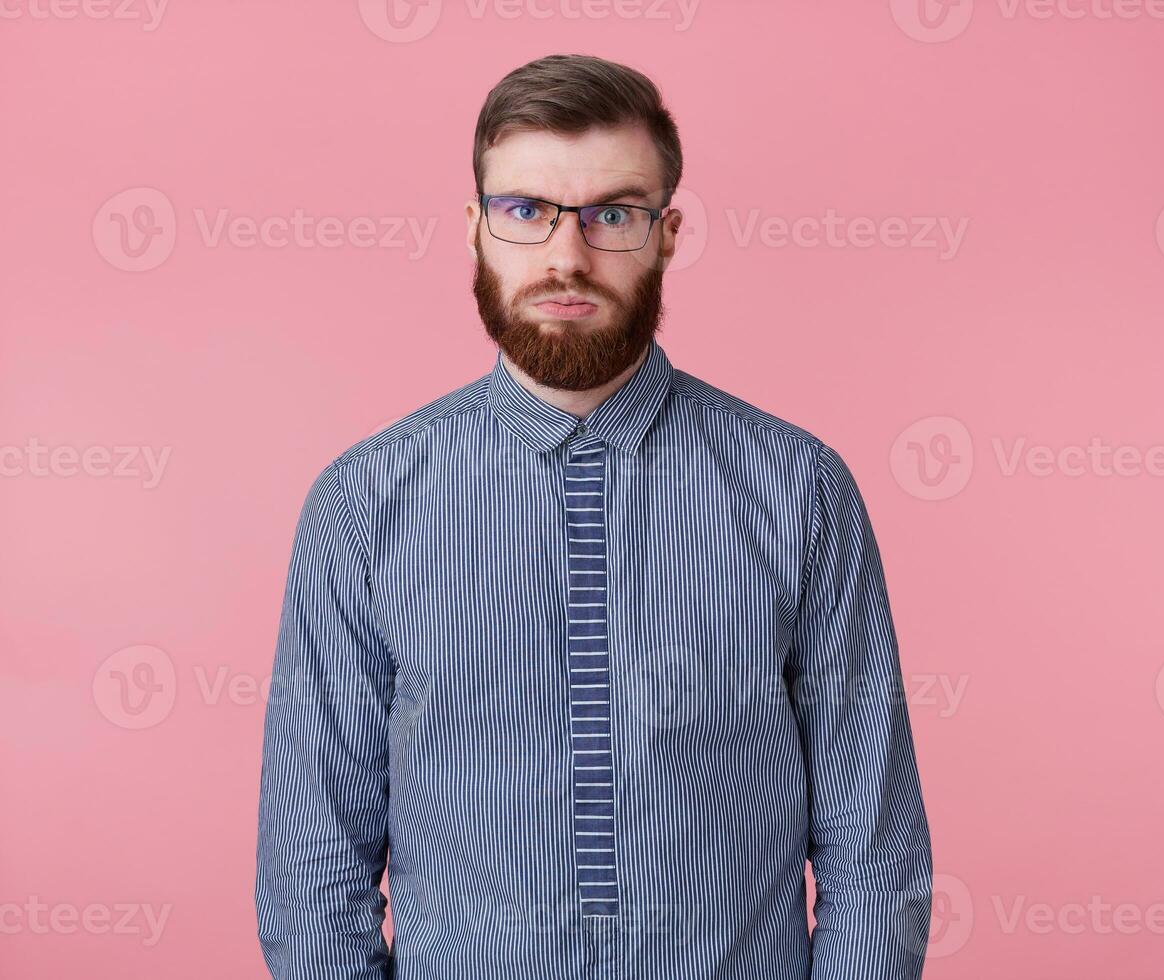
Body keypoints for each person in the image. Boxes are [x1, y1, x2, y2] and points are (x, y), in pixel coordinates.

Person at [255, 52, 933, 979]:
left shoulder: (799, 488)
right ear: (475, 230)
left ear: (667, 233)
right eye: (526, 211)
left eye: (612, 214)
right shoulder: (363, 504)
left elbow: (874, 853)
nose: (566, 256)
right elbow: (312, 869)